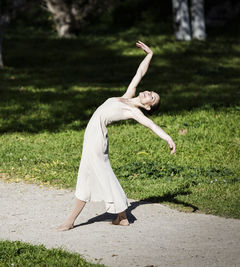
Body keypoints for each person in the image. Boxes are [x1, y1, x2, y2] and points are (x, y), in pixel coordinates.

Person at [57, 41, 176, 231]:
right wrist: (150, 55)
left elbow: (151, 125)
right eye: (152, 92)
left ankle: (71, 220)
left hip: (96, 141)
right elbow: (139, 73)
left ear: (147, 107)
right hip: (93, 138)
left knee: (89, 178)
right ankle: (121, 217)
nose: (149, 93)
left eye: (152, 98)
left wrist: (168, 138)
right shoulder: (128, 96)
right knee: (101, 176)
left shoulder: (134, 111)